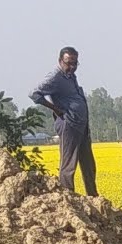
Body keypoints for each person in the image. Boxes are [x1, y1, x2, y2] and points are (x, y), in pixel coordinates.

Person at [31, 47, 96, 195]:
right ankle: (68, 198)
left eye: (75, 64)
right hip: (69, 124)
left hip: (81, 124)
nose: (72, 67)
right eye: (68, 63)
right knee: (68, 166)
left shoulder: (71, 76)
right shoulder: (55, 77)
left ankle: (93, 197)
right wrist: (55, 108)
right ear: (60, 61)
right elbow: (34, 94)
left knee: (88, 164)